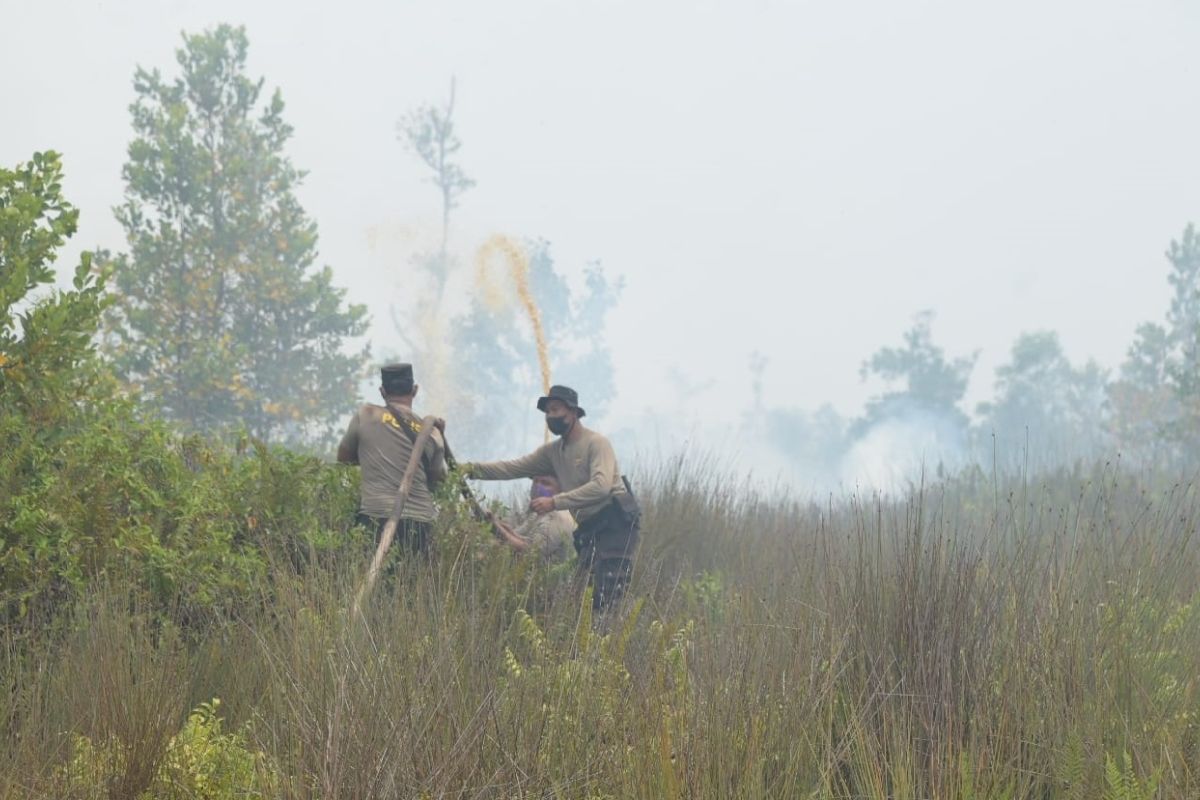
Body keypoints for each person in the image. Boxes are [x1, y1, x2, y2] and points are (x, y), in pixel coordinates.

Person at [464, 385, 639, 611]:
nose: (550, 416)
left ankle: (612, 641)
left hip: (614, 526)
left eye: (556, 410)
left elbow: (602, 486)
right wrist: (467, 469)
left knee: (607, 595)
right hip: (587, 530)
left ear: (573, 412)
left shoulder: (596, 443)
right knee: (582, 599)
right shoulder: (553, 453)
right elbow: (511, 468)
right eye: (547, 412)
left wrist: (555, 502)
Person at [337, 362, 446, 556]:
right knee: (414, 583)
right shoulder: (433, 433)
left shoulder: (366, 414)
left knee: (364, 576)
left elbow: (344, 458)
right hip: (421, 524)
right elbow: (438, 482)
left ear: (382, 391)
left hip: (375, 517)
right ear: (414, 390)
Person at [494, 475, 576, 563]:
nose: (538, 487)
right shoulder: (538, 514)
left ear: (560, 490)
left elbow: (531, 553)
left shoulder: (557, 517)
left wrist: (496, 528)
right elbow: (518, 536)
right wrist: (497, 525)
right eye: (535, 481)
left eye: (545, 483)